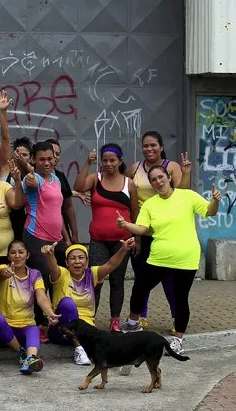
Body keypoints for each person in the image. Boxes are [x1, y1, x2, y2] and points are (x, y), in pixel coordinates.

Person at [117, 165, 220, 354]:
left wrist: (215, 201)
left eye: (161, 177)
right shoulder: (150, 204)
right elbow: (143, 229)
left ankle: (178, 340)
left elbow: (210, 212)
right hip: (158, 258)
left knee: (180, 298)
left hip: (185, 258)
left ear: (169, 177)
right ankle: (133, 323)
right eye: (153, 179)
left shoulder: (187, 196)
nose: (158, 182)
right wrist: (127, 225)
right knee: (140, 287)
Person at [126, 130, 191, 329]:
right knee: (142, 278)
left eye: (153, 145)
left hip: (167, 233)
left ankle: (175, 318)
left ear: (161, 146)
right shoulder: (134, 168)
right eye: (145, 145)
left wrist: (186, 172)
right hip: (143, 230)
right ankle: (140, 317)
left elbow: (182, 193)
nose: (149, 149)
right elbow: (126, 197)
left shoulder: (171, 167)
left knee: (170, 279)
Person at [73, 144, 138, 331]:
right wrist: (87, 162)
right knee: (96, 280)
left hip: (122, 242)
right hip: (98, 240)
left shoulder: (129, 184)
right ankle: (89, 317)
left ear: (120, 161)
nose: (108, 164)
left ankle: (115, 320)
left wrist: (136, 240)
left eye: (112, 160)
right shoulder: (95, 178)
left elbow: (135, 213)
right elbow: (78, 186)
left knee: (117, 281)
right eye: (105, 160)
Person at [41, 239, 136, 365]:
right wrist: (50, 255)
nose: (77, 261)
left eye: (81, 258)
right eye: (72, 258)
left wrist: (123, 249)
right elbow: (53, 268)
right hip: (62, 331)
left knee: (110, 338)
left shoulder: (92, 274)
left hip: (86, 332)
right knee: (68, 303)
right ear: (66, 262)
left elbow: (111, 265)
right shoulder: (62, 274)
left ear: (87, 262)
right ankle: (79, 349)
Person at [0, 241, 60, 375]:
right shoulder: (2, 268)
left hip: (24, 327)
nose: (17, 256)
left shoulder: (35, 274)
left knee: (34, 328)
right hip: (4, 330)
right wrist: (6, 273)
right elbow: (0, 275)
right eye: (13, 253)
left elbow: (41, 297)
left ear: (27, 255)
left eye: (21, 252)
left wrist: (50, 312)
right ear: (8, 256)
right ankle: (21, 352)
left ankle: (30, 359)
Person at [21, 141, 66, 342]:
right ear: (34, 160)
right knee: (42, 280)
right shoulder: (33, 179)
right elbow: (29, 178)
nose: (46, 162)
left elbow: (58, 210)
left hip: (56, 239)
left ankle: (55, 321)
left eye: (50, 158)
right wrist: (25, 166)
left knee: (59, 279)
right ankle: (37, 324)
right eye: (41, 159)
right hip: (36, 237)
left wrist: (65, 235)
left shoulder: (56, 179)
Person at [45, 139, 80, 246]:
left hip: (62, 228)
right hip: (44, 229)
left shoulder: (60, 176)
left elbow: (68, 206)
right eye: (51, 153)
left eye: (57, 154)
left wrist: (74, 233)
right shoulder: (36, 178)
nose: (55, 156)